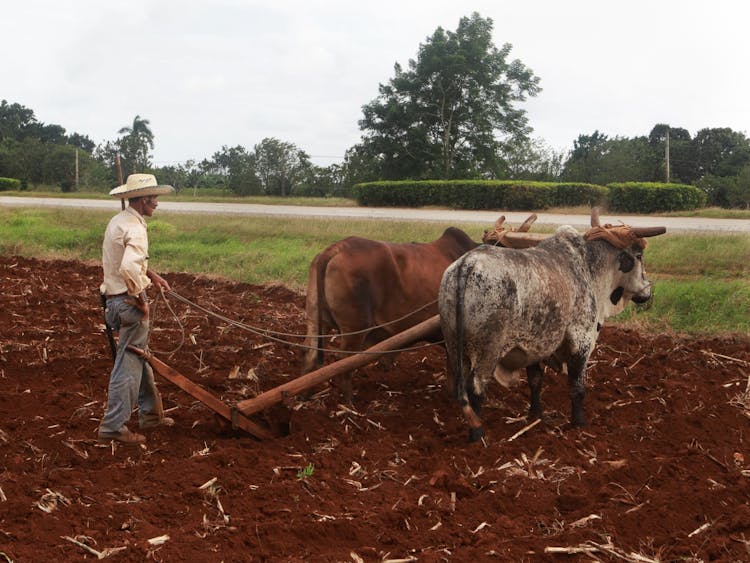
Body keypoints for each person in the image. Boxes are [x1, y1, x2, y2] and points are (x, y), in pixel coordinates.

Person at [97, 173, 175, 445]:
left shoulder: (120, 221)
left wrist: (151, 275)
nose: (156, 203)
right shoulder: (136, 228)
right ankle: (113, 427)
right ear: (142, 200)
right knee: (128, 366)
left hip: (114, 302)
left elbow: (128, 259)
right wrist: (141, 298)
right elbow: (129, 267)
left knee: (138, 356)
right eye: (153, 199)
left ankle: (151, 415)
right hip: (128, 303)